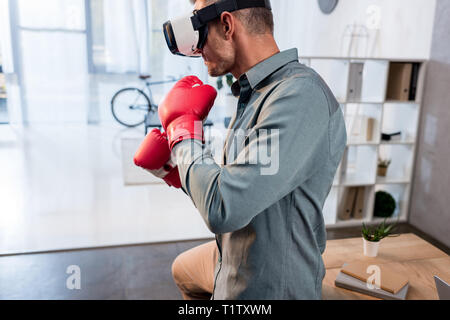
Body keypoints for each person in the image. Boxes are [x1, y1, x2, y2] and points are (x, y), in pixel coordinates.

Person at [134, 0, 347, 300]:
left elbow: (224, 207)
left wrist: (183, 132)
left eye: (199, 32)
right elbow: (234, 183)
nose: (197, 50)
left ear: (226, 25)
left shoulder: (299, 96)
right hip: (234, 259)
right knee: (183, 268)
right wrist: (176, 172)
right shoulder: (254, 95)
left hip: (269, 287)